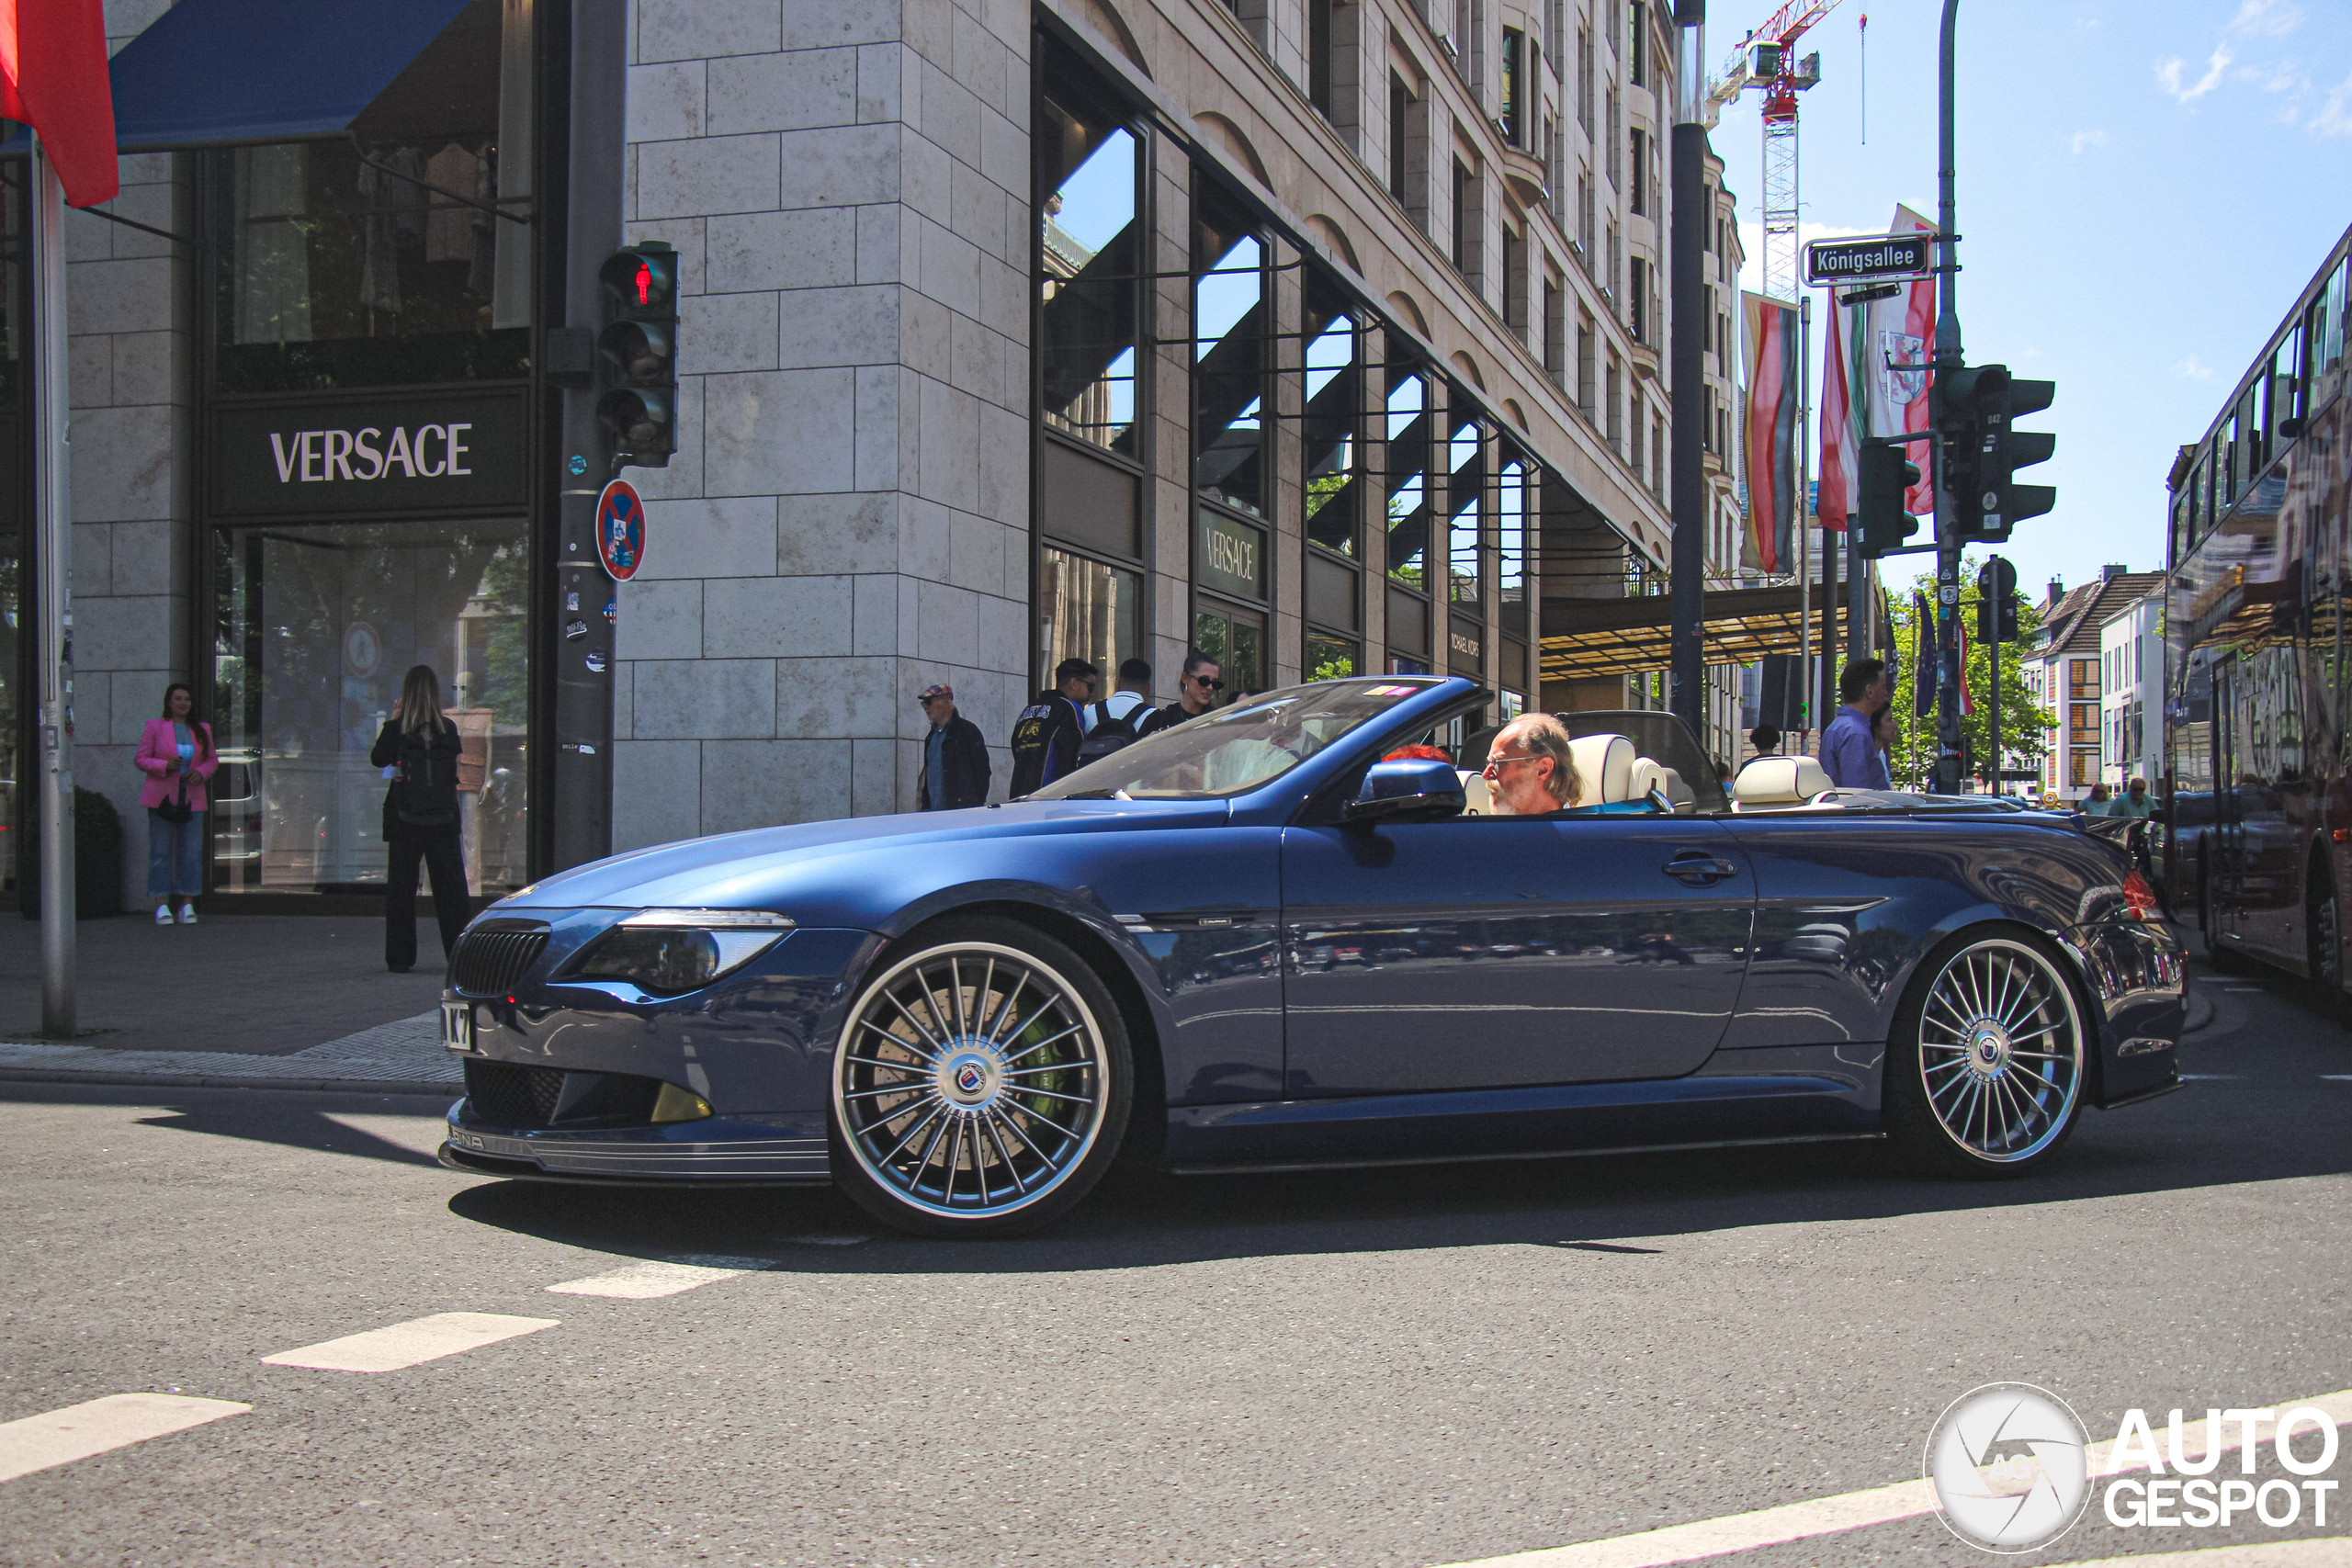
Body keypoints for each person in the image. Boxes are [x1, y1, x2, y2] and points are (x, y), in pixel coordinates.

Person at [371, 664, 469, 974]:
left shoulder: (397, 729)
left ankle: (400, 958)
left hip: (405, 819)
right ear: (435, 694)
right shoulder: (448, 728)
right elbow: (453, 767)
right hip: (443, 819)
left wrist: (394, 720)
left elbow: (378, 759)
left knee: (401, 890)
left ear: (407, 694)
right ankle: (460, 956)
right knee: (451, 892)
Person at [135, 683, 218, 926]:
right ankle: (161, 903)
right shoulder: (155, 727)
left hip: (193, 797)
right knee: (161, 852)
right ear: (169, 702)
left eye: (187, 699)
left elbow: (212, 760)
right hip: (161, 799)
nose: (183, 703)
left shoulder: (202, 729)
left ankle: (187, 903)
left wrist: (200, 773)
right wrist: (164, 765)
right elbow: (140, 759)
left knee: (191, 852)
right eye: (178, 698)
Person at [1009, 657, 1095, 796]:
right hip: (1050, 794)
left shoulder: (1029, 709)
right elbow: (1076, 753)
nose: (1091, 694)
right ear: (1073, 683)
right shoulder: (1069, 708)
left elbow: (1015, 746)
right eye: (1090, 687)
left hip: (1019, 792)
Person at [1483, 713, 1582, 816]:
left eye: (1498, 763)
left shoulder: (1580, 825)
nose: (1485, 775)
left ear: (1543, 769)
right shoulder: (1485, 825)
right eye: (1488, 763)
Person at [1816, 658, 1890, 788]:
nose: (1886, 693)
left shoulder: (1838, 726)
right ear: (1869, 691)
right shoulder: (1855, 732)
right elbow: (1856, 790)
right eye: (1883, 687)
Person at [915, 683, 989, 810]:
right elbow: (929, 777)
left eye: (929, 702)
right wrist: (925, 807)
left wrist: (973, 806)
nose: (925, 707)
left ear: (945, 701)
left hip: (961, 813)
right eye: (923, 703)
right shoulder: (931, 737)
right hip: (933, 813)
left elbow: (982, 771)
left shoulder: (967, 731)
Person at [1076, 658, 1154, 766]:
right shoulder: (1154, 716)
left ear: (1119, 683)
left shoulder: (1090, 711)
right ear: (1149, 688)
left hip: (1092, 775)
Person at [1137, 649, 1222, 739]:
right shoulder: (1159, 720)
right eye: (1204, 680)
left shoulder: (1218, 723)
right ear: (1185, 678)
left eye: (1215, 683)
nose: (1210, 687)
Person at [1870, 706, 1900, 789]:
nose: (1896, 725)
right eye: (1889, 720)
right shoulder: (1865, 757)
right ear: (1875, 725)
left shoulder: (1881, 755)